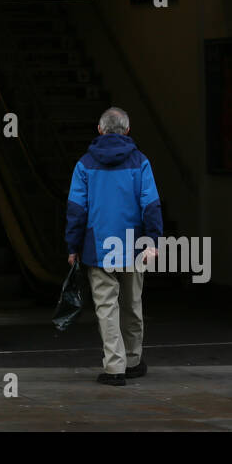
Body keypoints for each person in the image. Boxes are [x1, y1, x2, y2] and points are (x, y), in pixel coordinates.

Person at [65, 107, 161, 385]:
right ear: (128, 131)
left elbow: (76, 210)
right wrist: (153, 241)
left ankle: (114, 367)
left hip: (98, 246)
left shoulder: (84, 164)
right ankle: (133, 359)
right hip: (134, 245)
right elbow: (151, 204)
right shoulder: (141, 162)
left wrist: (73, 246)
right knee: (132, 303)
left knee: (107, 307)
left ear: (99, 129)